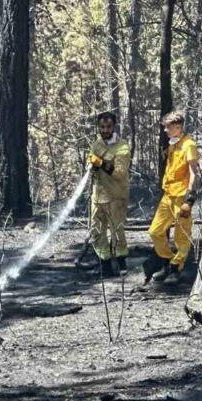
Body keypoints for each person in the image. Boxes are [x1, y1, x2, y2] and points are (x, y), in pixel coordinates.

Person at [146, 110, 202, 285]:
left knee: (181, 236)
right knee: (155, 231)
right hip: (168, 195)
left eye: (168, 128)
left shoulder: (189, 145)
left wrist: (190, 198)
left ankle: (177, 267)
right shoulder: (172, 144)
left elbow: (194, 172)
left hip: (181, 197)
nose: (165, 131)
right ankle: (169, 261)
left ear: (178, 127)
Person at [87, 111, 131, 277]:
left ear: (114, 127)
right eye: (102, 127)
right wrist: (91, 163)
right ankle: (104, 264)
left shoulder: (122, 147)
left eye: (108, 127)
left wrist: (102, 163)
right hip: (98, 195)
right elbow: (93, 161)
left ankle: (121, 263)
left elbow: (119, 173)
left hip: (116, 195)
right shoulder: (97, 143)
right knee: (96, 229)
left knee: (116, 229)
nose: (105, 130)